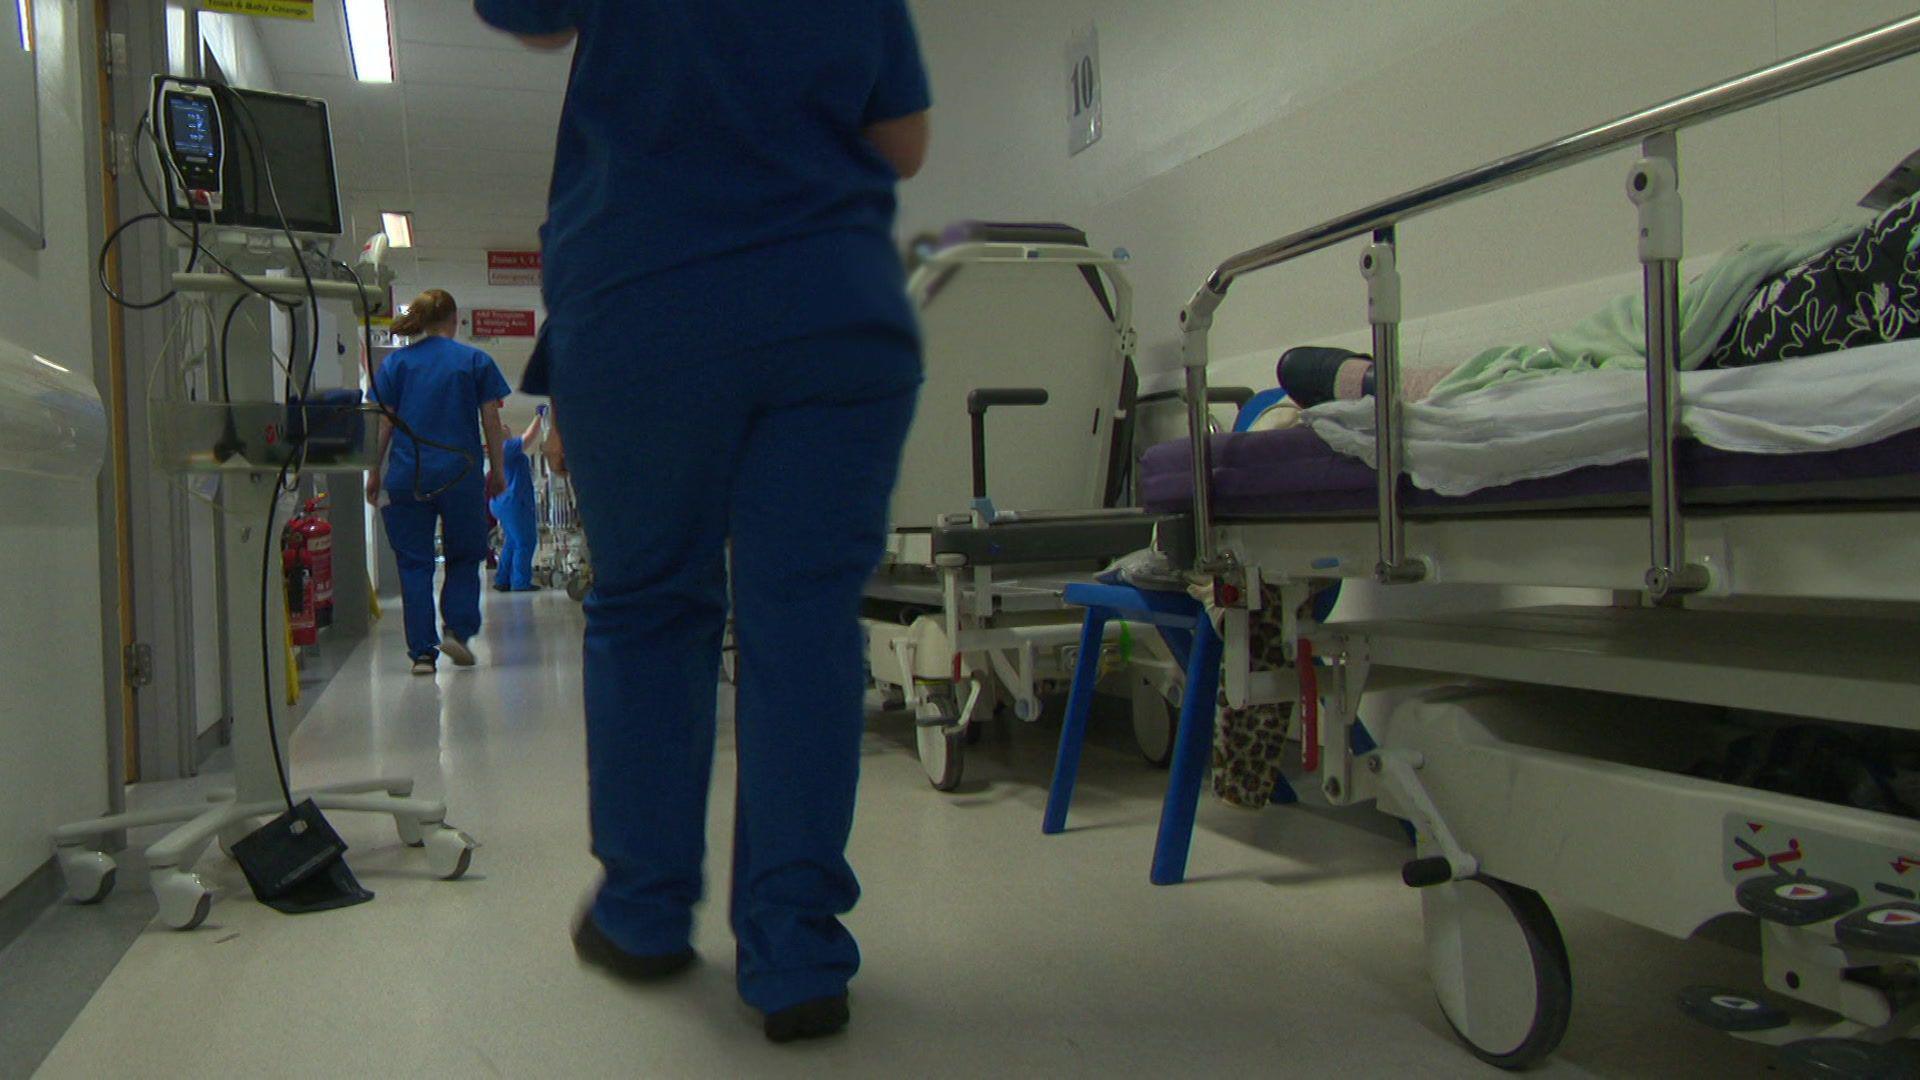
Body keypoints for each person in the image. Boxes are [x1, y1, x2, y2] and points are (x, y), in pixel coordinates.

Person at [476, 0, 931, 1043]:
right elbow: (902, 142)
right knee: (806, 624)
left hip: (647, 305)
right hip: (832, 311)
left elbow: (528, 17)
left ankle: (642, 913)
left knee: (649, 606)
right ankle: (797, 954)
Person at [366, 288, 511, 675]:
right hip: (460, 476)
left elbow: (383, 423)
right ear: (455, 319)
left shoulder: (396, 365)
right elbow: (492, 422)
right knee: (465, 555)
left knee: (414, 563)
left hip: (407, 475)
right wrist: (497, 471)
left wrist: (374, 470)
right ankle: (458, 632)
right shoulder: (475, 361)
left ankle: (423, 655)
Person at [491, 406, 546, 593]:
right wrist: (539, 416)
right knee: (525, 541)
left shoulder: (499, 451)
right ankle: (520, 583)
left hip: (502, 502)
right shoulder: (506, 447)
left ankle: (502, 580)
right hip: (513, 502)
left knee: (512, 542)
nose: (505, 427)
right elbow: (529, 437)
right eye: (502, 427)